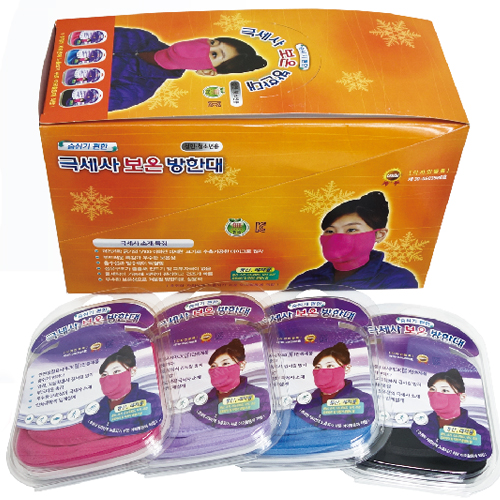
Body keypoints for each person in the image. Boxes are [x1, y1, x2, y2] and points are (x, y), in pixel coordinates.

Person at [110, 27, 267, 111]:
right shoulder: (141, 37)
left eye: (214, 54)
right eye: (213, 43)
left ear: (207, 71)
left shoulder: (138, 90)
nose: (204, 47)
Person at [288, 191, 418, 289]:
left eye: (351, 230)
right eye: (330, 231)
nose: (337, 237)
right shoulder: (304, 280)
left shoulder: (397, 280)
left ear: (379, 234)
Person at [410, 369, 492, 461]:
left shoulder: (479, 432)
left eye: (445, 390)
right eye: (433, 389)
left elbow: (481, 459)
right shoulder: (419, 424)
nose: (436, 395)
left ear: (462, 397)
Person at [82, 345, 163, 436]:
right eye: (104, 374)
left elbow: (154, 431)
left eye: (116, 371)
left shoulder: (150, 401)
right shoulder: (94, 410)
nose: (109, 378)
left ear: (132, 371)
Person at [190, 338, 271, 429]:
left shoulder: (260, 396)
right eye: (213, 366)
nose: (217, 369)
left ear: (241, 365)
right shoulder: (202, 402)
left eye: (225, 363)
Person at [294, 342, 375, 430]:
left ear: (347, 368)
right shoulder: (305, 402)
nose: (322, 371)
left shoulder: (363, 400)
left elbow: (364, 427)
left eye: (329, 366)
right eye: (318, 367)